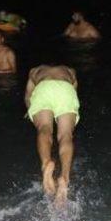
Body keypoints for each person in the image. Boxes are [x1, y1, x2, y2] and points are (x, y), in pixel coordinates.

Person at [25, 65, 80, 206]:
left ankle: (46, 164)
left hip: (43, 87)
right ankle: (65, 177)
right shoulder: (70, 71)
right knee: (66, 135)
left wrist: (30, 112)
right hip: (65, 88)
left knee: (44, 128)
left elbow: (28, 97)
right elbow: (73, 93)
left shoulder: (34, 71)